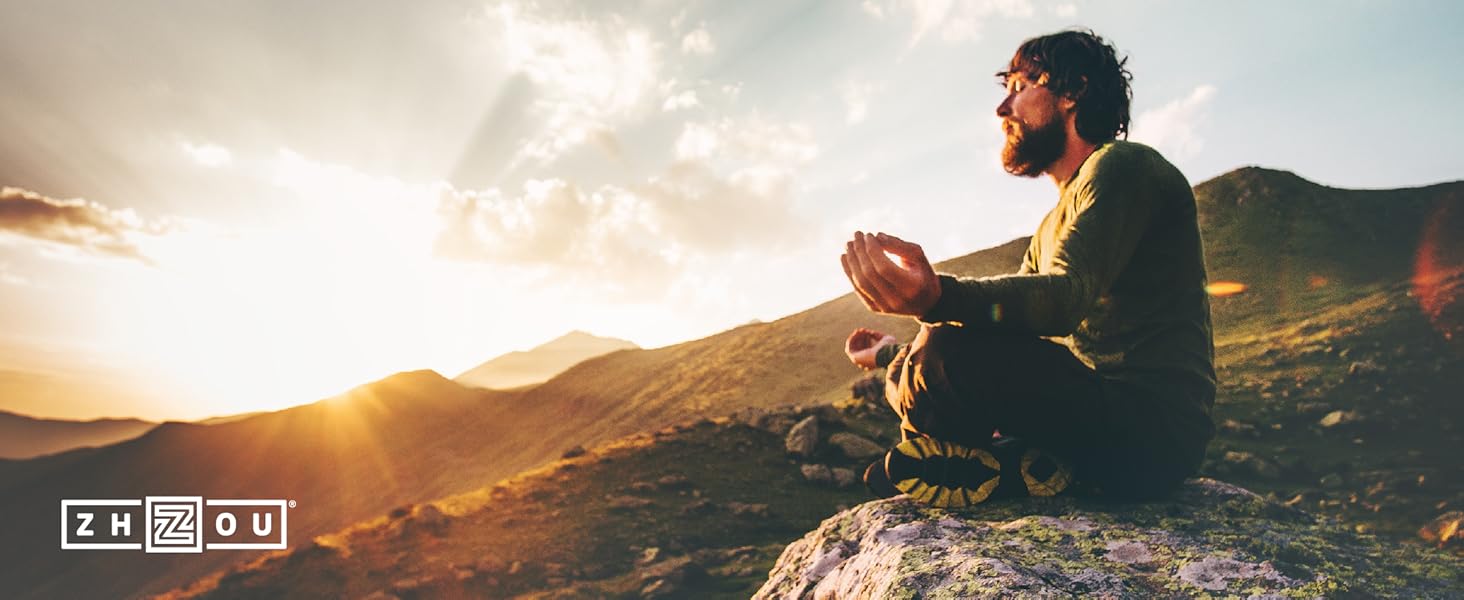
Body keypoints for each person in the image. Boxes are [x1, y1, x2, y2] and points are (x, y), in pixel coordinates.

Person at [841, 29, 1215, 507]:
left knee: (945, 347)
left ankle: (956, 457)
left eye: (1019, 87)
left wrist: (937, 298)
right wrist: (892, 356)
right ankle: (1006, 467)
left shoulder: (1124, 166)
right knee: (932, 351)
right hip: (1098, 418)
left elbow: (1063, 299)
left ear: (1072, 91)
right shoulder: (1048, 227)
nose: (1004, 110)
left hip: (1155, 432)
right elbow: (1007, 335)